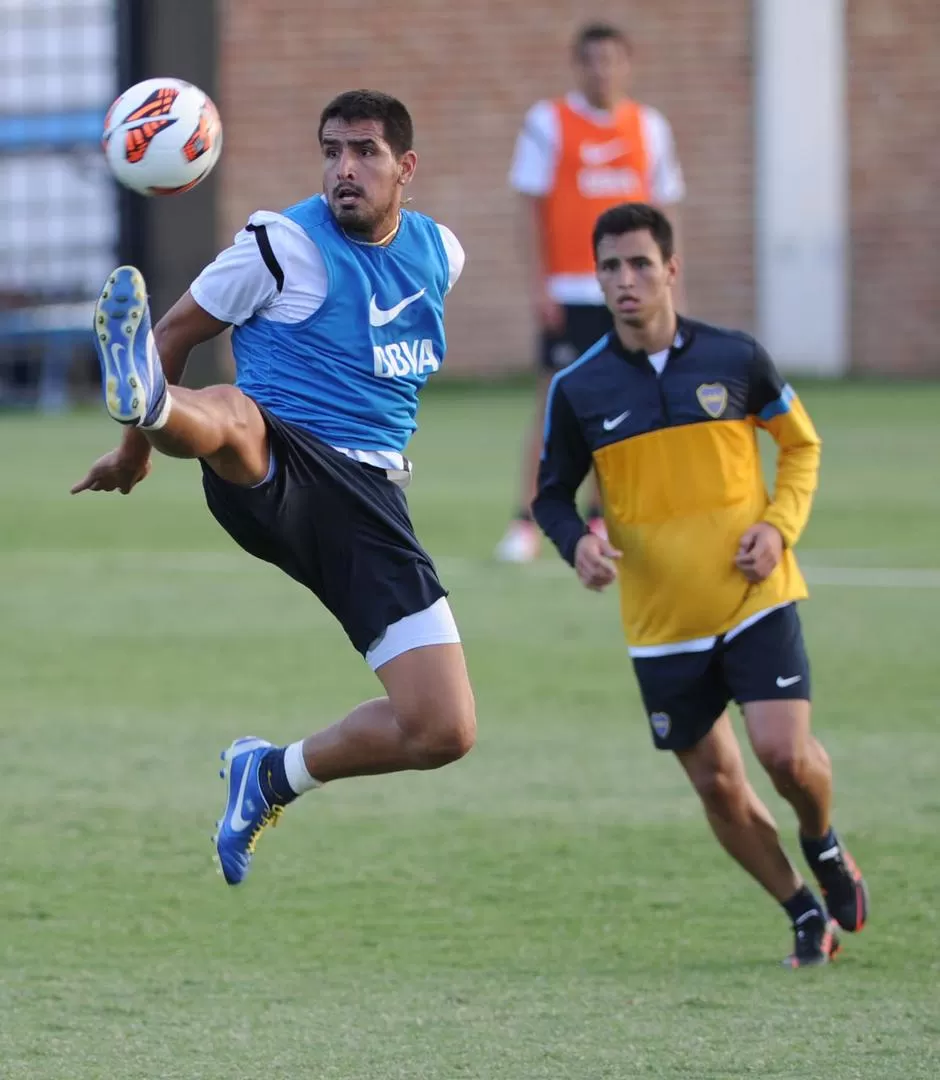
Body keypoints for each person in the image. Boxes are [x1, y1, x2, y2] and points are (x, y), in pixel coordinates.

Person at [72, 89, 477, 886]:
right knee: (232, 413)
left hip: (370, 505)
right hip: (277, 459)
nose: (344, 169)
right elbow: (174, 332)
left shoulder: (442, 255)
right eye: (331, 151)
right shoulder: (280, 242)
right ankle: (152, 402)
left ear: (407, 168)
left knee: (442, 728)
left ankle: (270, 775)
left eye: (364, 152)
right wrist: (137, 445)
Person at [532, 202, 868, 967]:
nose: (625, 280)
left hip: (755, 596)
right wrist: (575, 546)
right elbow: (550, 495)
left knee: (784, 756)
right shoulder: (578, 390)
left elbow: (802, 447)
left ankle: (822, 840)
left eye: (640, 264)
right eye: (611, 267)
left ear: (671, 269)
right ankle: (802, 914)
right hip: (661, 624)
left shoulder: (735, 357)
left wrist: (778, 525)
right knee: (719, 787)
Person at [495, 21, 685, 563]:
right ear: (579, 65)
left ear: (628, 64)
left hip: (637, 292)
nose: (603, 70)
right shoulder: (547, 122)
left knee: (631, 404)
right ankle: (525, 520)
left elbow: (665, 214)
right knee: (555, 403)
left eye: (612, 60)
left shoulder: (650, 127)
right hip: (572, 289)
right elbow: (529, 209)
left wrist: (673, 287)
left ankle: (606, 517)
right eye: (592, 60)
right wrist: (539, 284)